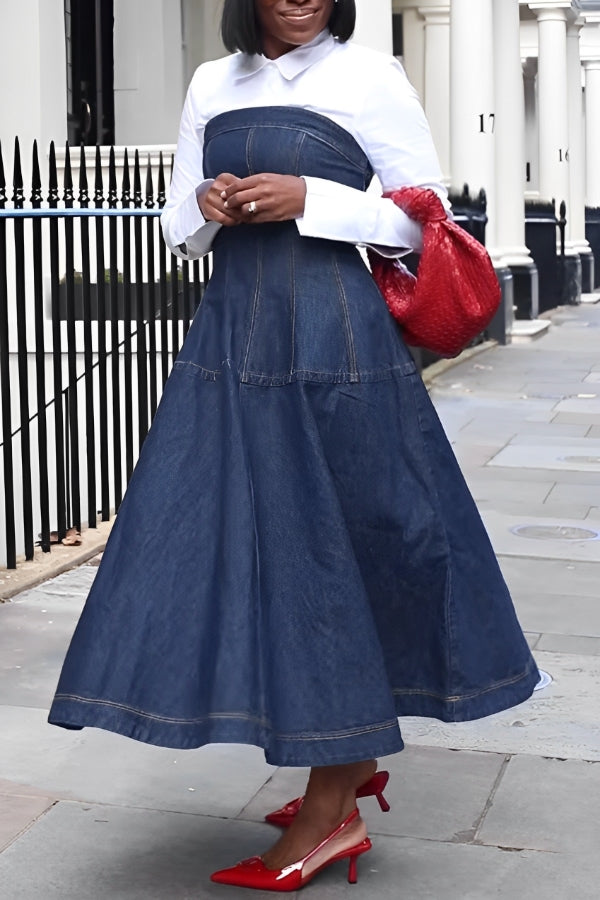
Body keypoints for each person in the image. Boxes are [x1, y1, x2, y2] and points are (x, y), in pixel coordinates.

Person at [49, 0, 540, 891]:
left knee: (335, 553)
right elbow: (172, 224)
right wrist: (205, 204)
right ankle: (344, 765)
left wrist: (310, 198)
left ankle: (329, 809)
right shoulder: (213, 80)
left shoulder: (370, 76)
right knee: (216, 545)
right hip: (231, 341)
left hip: (334, 342)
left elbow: (421, 226)